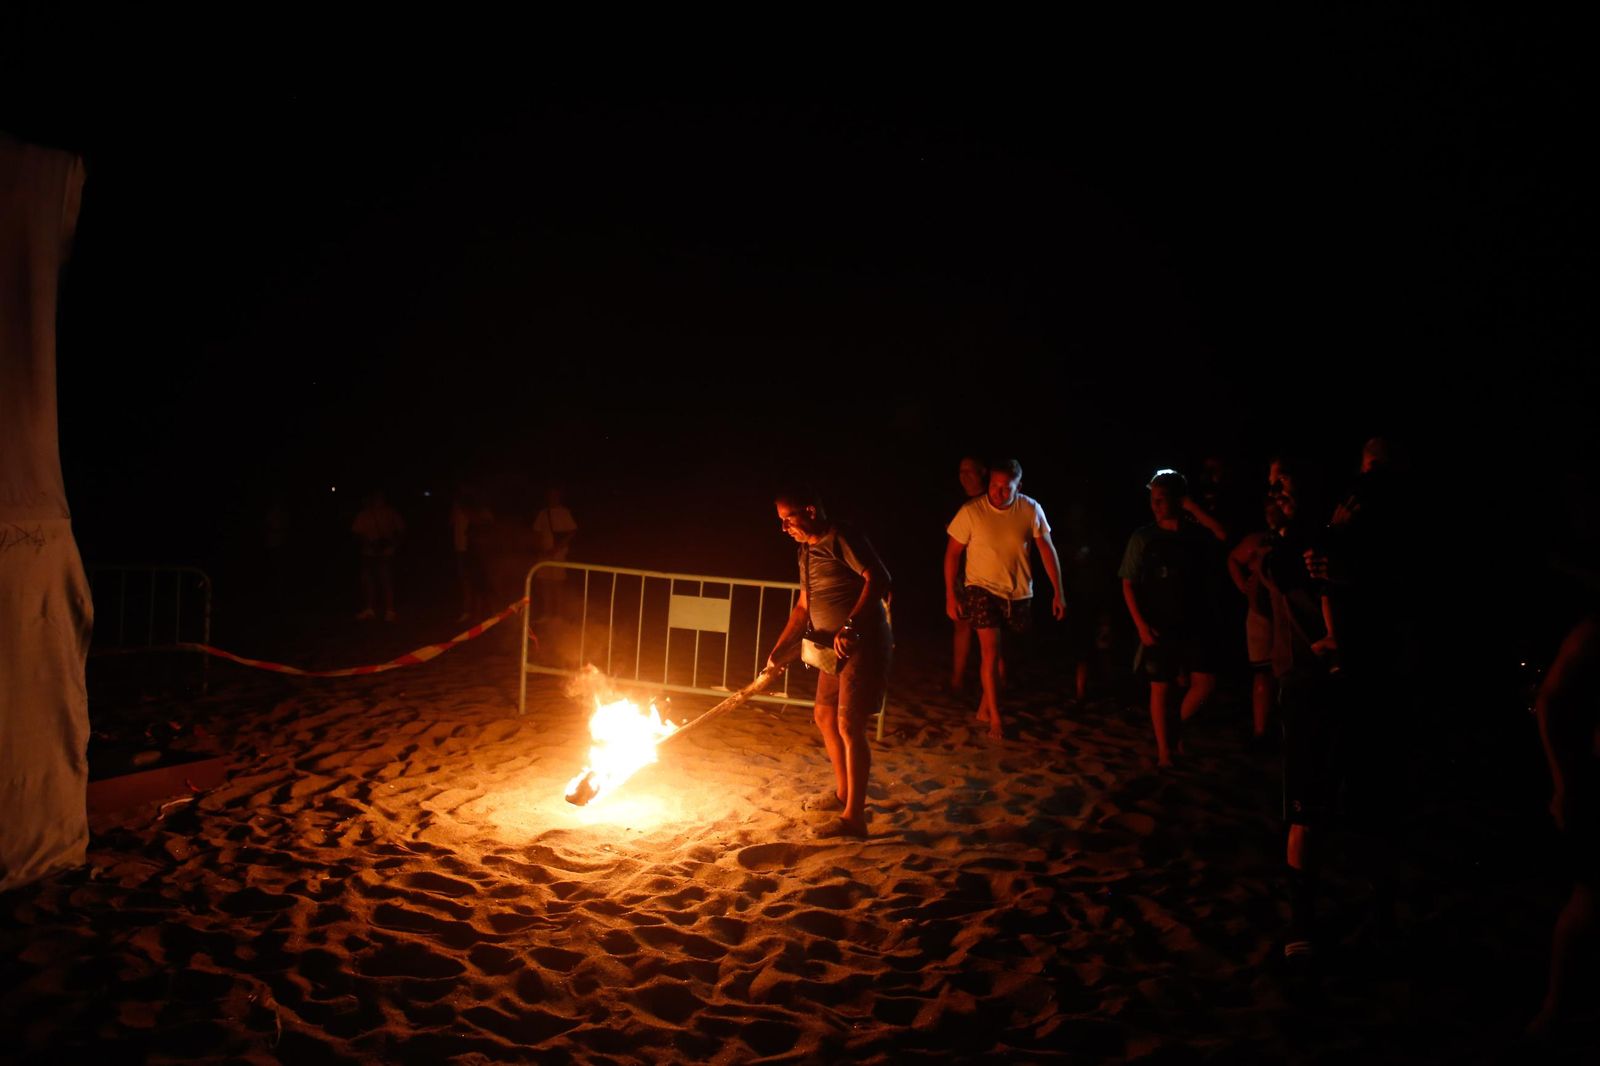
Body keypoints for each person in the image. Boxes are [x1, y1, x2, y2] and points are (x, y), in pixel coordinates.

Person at [766, 486, 892, 839]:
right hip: (829, 649)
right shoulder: (805, 551)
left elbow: (879, 578)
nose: (784, 528)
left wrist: (851, 625)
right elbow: (804, 606)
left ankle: (855, 817)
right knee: (824, 716)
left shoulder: (842, 537)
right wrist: (778, 652)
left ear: (809, 510)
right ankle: (842, 794)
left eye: (788, 519)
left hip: (860, 645)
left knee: (849, 725)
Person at [944, 458, 1067, 740]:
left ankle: (985, 707)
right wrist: (951, 594)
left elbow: (1047, 550)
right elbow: (952, 554)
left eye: (1005, 488)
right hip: (980, 589)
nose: (998, 493)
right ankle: (995, 720)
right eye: (994, 486)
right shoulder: (972, 511)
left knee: (1005, 659)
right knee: (991, 652)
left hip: (1018, 591)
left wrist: (1058, 591)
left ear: (1018, 486)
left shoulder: (1030, 509)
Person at [1118, 468, 1228, 766]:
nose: (1155, 506)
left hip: (1195, 620)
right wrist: (1141, 625)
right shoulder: (1144, 537)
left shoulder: (1195, 536)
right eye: (1153, 500)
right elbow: (1128, 582)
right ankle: (1165, 750)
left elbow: (1222, 535)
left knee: (1205, 683)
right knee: (1161, 687)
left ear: (1179, 500)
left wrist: (1190, 506)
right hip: (1158, 622)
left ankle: (1174, 729)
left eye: (1162, 500)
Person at [1528, 610, 1600, 1041]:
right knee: (1591, 896)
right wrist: (1564, 783)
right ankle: (1555, 1012)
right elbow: (1551, 701)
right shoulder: (1593, 634)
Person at [949, 454, 989, 692]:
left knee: (991, 631)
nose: (964, 476)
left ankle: (997, 682)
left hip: (988, 574)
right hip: (963, 575)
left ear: (982, 472)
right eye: (961, 472)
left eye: (969, 471)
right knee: (962, 626)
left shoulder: (991, 501)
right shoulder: (958, 504)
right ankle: (957, 680)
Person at [352, 489, 405, 622]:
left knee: (385, 580)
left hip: (385, 552)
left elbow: (401, 530)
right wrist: (368, 543)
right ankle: (371, 609)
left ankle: (389, 610)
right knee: (369, 580)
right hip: (369, 552)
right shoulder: (364, 514)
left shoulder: (390, 512)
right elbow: (357, 532)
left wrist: (391, 543)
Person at [531, 485, 578, 622]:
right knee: (545, 582)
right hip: (544, 553)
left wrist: (558, 547)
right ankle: (547, 612)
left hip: (558, 553)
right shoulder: (543, 513)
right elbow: (536, 532)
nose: (552, 498)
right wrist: (540, 548)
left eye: (555, 495)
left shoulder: (564, 513)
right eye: (550, 495)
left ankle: (558, 614)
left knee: (557, 583)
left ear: (559, 497)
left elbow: (572, 531)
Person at [451, 483, 495, 623]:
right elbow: (465, 532)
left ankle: (489, 613)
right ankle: (474, 613)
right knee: (472, 583)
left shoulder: (482, 514)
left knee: (484, 584)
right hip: (472, 553)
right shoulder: (461, 512)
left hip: (482, 554)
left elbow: (488, 531)